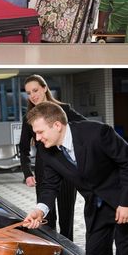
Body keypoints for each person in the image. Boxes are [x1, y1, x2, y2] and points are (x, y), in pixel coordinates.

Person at [23, 101, 128, 255]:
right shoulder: (46, 151)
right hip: (96, 207)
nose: (38, 138)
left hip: (125, 202)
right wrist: (39, 209)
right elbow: (49, 186)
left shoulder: (97, 133)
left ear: (57, 125)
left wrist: (126, 202)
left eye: (41, 132)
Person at [19, 74, 86, 240]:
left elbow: (85, 128)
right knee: (46, 215)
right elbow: (23, 148)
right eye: (28, 93)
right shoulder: (29, 118)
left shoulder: (64, 110)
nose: (32, 95)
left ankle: (68, 252)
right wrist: (27, 173)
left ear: (44, 88)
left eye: (35, 90)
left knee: (66, 216)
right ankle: (50, 250)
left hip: (67, 169)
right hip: (44, 170)